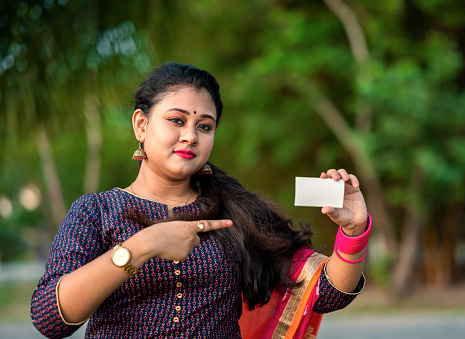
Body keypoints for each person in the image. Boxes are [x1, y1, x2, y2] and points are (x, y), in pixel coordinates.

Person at [31, 62, 371, 338]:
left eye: (204, 126)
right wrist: (143, 246)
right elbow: (51, 318)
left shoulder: (235, 210)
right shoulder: (95, 212)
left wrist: (354, 231)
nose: (190, 135)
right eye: (177, 120)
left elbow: (327, 293)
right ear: (141, 125)